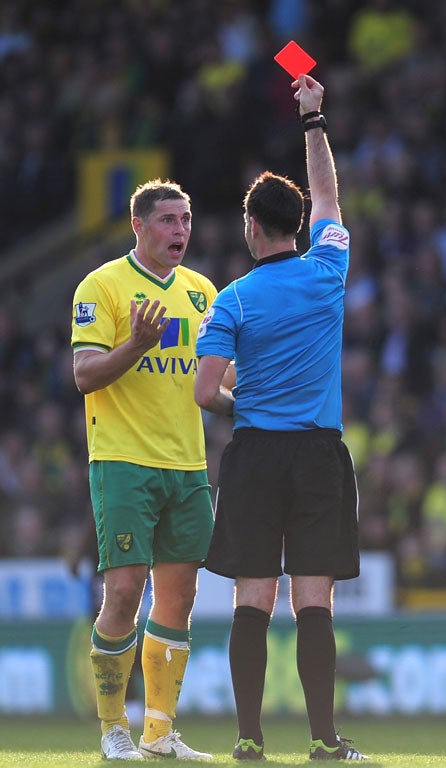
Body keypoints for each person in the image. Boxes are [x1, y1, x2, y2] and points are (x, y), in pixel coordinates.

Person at [193, 74, 366, 762]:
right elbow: (328, 194)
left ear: (250, 228)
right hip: (320, 454)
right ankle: (325, 739)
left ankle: (248, 736)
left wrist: (248, 405)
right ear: (296, 226)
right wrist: (313, 118)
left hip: (256, 454)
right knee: (313, 598)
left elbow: (207, 392)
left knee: (252, 599)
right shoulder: (328, 269)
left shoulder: (231, 300)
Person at [71, 179, 216, 760]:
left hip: (189, 464)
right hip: (124, 461)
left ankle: (160, 733)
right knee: (125, 590)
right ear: (138, 226)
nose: (180, 230)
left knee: (178, 599)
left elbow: (215, 381)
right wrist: (135, 345)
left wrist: (253, 398)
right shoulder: (102, 286)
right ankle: (113, 728)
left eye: (185, 219)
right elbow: (85, 375)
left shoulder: (204, 291)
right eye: (167, 220)